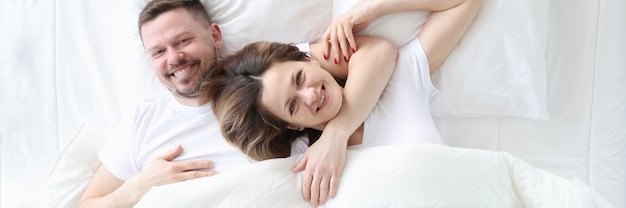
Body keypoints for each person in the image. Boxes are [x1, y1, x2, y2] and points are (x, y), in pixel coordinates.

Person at [204, 0, 483, 207]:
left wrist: (372, 9)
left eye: (300, 77)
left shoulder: (399, 80)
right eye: (292, 106)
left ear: (308, 58)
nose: (310, 96)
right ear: (292, 124)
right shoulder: (300, 161)